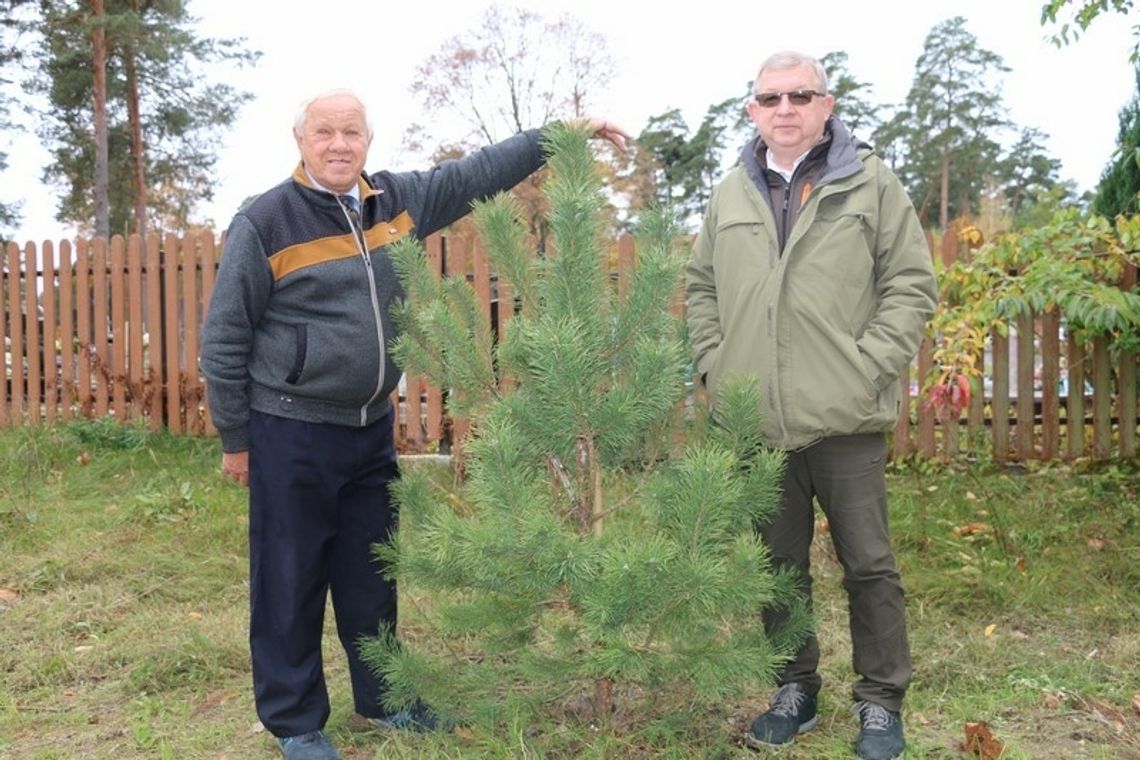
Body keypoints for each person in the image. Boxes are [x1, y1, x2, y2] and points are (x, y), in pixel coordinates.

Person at [199, 88, 630, 760]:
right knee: (289, 577)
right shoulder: (266, 221)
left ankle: (385, 698)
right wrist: (236, 438)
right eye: (325, 132)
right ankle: (295, 721)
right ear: (300, 140)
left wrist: (562, 132)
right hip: (290, 428)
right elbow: (224, 337)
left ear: (367, 141)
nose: (339, 144)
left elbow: (478, 172)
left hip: (371, 427)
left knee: (373, 572)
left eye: (352, 132)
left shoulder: (394, 202)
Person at [684, 52, 937, 760]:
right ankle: (794, 687)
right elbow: (701, 288)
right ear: (752, 110)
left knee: (870, 565)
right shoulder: (731, 192)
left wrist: (869, 365)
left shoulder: (871, 182)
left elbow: (911, 283)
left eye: (802, 95)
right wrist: (715, 364)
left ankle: (881, 702)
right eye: (771, 97)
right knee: (777, 565)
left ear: (827, 105)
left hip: (845, 416)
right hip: (756, 420)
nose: (786, 107)